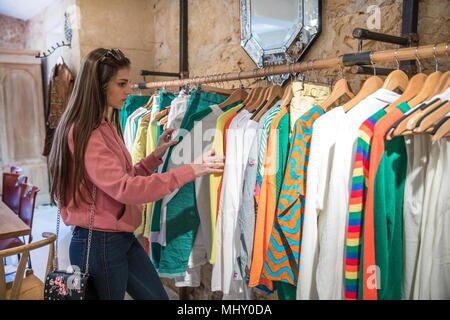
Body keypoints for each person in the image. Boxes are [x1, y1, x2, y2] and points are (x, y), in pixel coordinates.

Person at [48, 48, 224, 300]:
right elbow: (126, 189)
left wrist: (156, 156)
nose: (129, 90)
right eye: (121, 83)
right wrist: (192, 169)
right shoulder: (86, 133)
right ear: (99, 86)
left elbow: (123, 178)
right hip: (99, 243)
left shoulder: (107, 125)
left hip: (118, 237)